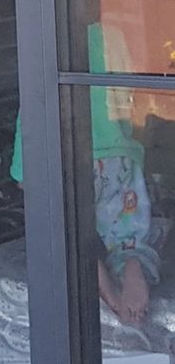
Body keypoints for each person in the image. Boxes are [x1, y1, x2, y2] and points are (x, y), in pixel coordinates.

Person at [12, 25, 160, 325]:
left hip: (66, 156)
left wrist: (24, 170)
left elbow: (33, 102)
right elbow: (126, 96)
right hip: (117, 152)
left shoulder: (47, 23)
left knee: (65, 231)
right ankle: (131, 260)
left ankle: (106, 288)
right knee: (128, 228)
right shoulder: (113, 33)